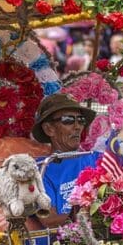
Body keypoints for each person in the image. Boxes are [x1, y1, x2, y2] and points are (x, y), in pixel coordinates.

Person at [30, 94, 100, 228]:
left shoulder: (97, 158)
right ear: (49, 129)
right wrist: (84, 208)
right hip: (67, 243)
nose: (77, 126)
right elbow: (49, 220)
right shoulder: (40, 170)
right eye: (68, 120)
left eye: (80, 120)